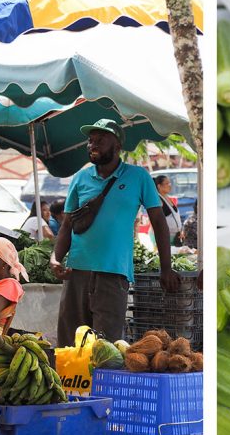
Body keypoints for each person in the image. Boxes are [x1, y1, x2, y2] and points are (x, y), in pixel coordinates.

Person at [51, 119, 180, 345]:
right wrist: (55, 258)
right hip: (76, 272)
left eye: (100, 140)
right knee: (69, 344)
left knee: (106, 347)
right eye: (91, 141)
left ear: (118, 145)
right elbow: (67, 224)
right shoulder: (80, 178)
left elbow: (159, 222)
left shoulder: (138, 177)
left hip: (114, 273)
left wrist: (166, 268)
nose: (93, 145)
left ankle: (101, 382)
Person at [154, 174, 183, 241]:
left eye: (169, 183)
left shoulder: (167, 197)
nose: (170, 185)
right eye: (167, 183)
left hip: (176, 236)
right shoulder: (158, 199)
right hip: (165, 237)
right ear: (159, 186)